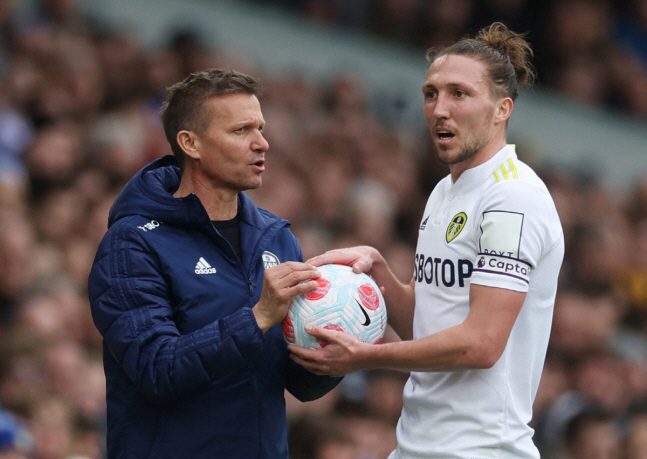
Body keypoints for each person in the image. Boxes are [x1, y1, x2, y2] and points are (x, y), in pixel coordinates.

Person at [290, 22, 565, 459]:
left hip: (481, 450)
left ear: (502, 109)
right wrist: (382, 276)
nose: (440, 108)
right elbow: (428, 322)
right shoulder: (445, 191)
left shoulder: (512, 196)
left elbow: (481, 343)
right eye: (431, 93)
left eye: (460, 93)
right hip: (418, 443)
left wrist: (365, 356)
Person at [87, 68, 341, 459]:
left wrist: (335, 350)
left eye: (260, 127)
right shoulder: (133, 242)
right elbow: (156, 369)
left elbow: (298, 384)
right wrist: (255, 318)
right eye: (241, 131)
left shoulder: (277, 238)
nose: (263, 143)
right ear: (191, 143)